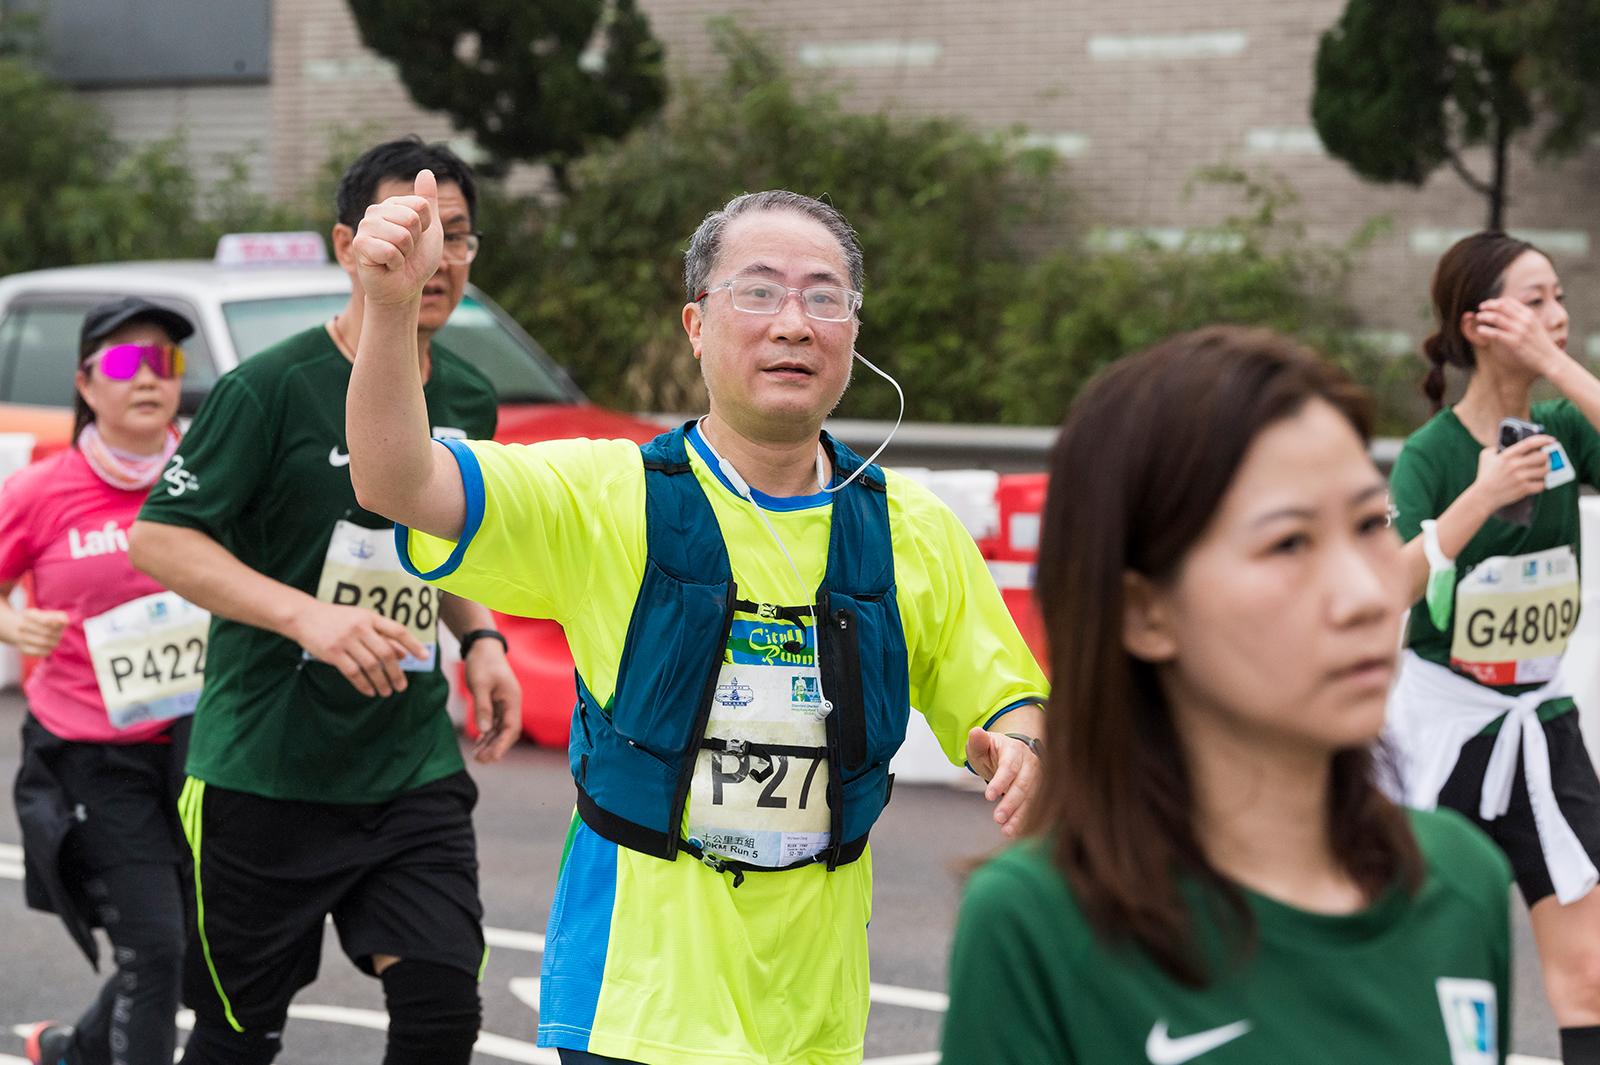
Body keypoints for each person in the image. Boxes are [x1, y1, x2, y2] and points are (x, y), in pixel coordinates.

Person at [343, 179, 1049, 1064]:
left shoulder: (914, 531)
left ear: (854, 333)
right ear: (696, 325)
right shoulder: (609, 495)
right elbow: (395, 482)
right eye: (758, 291)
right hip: (637, 1005)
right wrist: (389, 309)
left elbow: (1011, 697)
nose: (794, 322)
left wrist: (1025, 747)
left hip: (816, 1015)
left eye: (824, 297)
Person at [942, 327, 1516, 1064]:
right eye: (1289, 543)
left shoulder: (1463, 883)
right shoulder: (1035, 925)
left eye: (1371, 524)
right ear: (1144, 610)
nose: (1366, 595)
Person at [124, 138, 522, 1065]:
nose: (435, 259)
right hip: (264, 772)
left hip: (408, 767)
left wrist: (483, 637)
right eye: (410, 233)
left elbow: (445, 541)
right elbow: (159, 535)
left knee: (440, 1014)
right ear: (351, 245)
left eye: (455, 237)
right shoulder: (270, 387)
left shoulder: (466, 391)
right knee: (237, 1040)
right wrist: (309, 615)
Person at [1385, 232, 1600, 1064]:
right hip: (1443, 738)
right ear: (1480, 322)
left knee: (1588, 977)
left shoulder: (1565, 430)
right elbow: (1389, 589)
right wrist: (1478, 499)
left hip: (1544, 732)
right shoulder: (1430, 455)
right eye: (1537, 298)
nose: (1560, 314)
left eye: (1560, 296)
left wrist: (1554, 364)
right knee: (1424, 970)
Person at [7, 298, 200, 1065]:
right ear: (86, 384)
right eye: (127, 363)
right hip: (92, 753)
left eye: (166, 362)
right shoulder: (45, 488)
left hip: (202, 747)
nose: (149, 378)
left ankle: (70, 1049)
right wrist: (12, 623)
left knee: (195, 949)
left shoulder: (206, 476)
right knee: (155, 950)